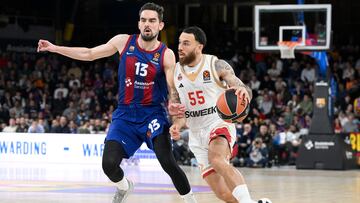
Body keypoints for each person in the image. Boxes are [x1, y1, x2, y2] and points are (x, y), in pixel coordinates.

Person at [37, 3, 197, 203]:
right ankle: (124, 186)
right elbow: (89, 54)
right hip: (125, 116)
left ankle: (190, 200)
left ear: (160, 25)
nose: (148, 24)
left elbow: (172, 87)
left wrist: (175, 113)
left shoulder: (166, 54)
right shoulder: (123, 42)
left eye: (152, 21)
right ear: (139, 23)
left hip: (152, 115)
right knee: (109, 165)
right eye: (144, 20)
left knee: (168, 162)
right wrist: (54, 48)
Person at [169, 26, 270, 203]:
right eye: (179, 43)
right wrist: (176, 125)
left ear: (199, 47)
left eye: (186, 43)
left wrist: (243, 91)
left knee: (216, 158)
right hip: (196, 134)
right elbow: (179, 111)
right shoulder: (174, 73)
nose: (180, 47)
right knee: (222, 193)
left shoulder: (216, 65)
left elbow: (242, 88)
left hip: (218, 123)